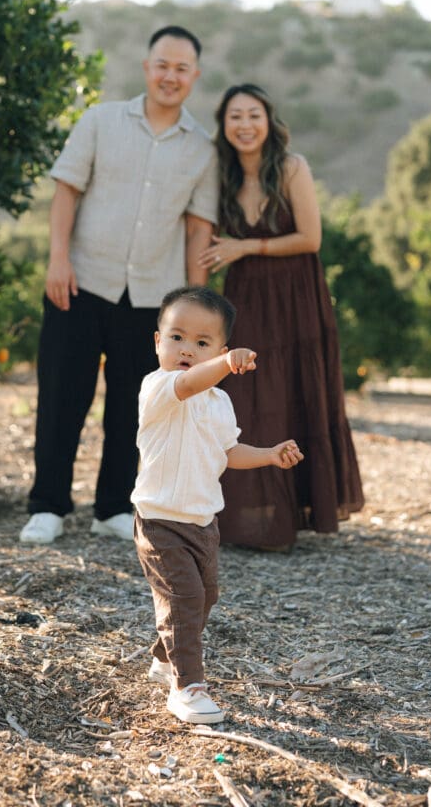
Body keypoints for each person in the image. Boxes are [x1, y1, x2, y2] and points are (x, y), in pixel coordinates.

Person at [20, 26, 218, 546]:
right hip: (80, 281)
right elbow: (66, 192)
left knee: (135, 407)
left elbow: (199, 229)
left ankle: (112, 506)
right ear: (147, 67)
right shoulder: (100, 120)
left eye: (181, 68)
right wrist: (57, 260)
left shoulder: (202, 149)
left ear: (194, 76)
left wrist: (194, 316)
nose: (170, 75)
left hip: (154, 299)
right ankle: (48, 505)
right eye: (162, 65)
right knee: (62, 397)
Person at [197, 83, 364, 550]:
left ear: (268, 121)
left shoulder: (292, 167)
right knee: (248, 394)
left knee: (295, 391)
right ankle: (252, 519)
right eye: (235, 117)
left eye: (254, 115)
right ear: (224, 126)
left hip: (296, 294)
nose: (245, 125)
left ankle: (297, 515)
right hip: (246, 295)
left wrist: (245, 246)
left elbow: (311, 238)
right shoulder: (222, 175)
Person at [132, 285, 303, 724]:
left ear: (219, 347)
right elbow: (189, 381)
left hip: (203, 522)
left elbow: (228, 452)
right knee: (185, 595)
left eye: (202, 343)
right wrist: (224, 363)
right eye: (177, 338)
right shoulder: (159, 387)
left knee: (203, 597)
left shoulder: (220, 402)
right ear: (158, 342)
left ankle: (164, 657)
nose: (187, 350)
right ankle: (187, 687)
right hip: (159, 520)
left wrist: (267, 455)